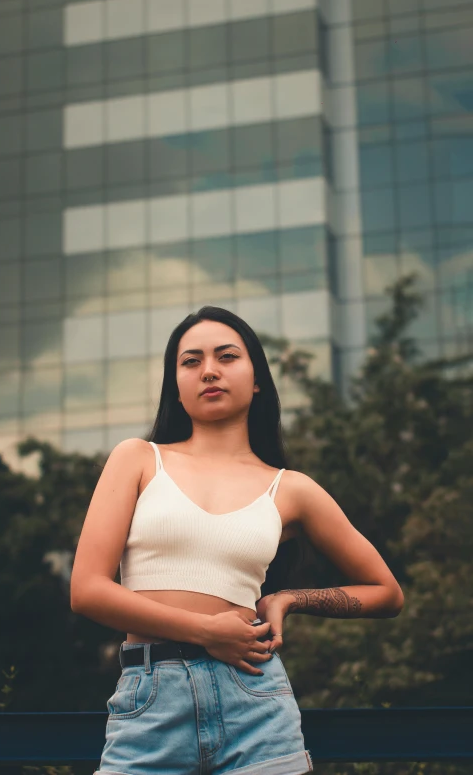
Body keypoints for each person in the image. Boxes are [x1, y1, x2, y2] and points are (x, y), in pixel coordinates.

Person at [71, 305, 404, 775]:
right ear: (177, 388)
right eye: (191, 361)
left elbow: (386, 593)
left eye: (227, 357)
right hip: (150, 701)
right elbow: (87, 591)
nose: (209, 370)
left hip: (256, 701)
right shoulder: (138, 459)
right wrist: (205, 631)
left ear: (257, 380)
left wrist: (288, 599)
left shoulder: (292, 488)